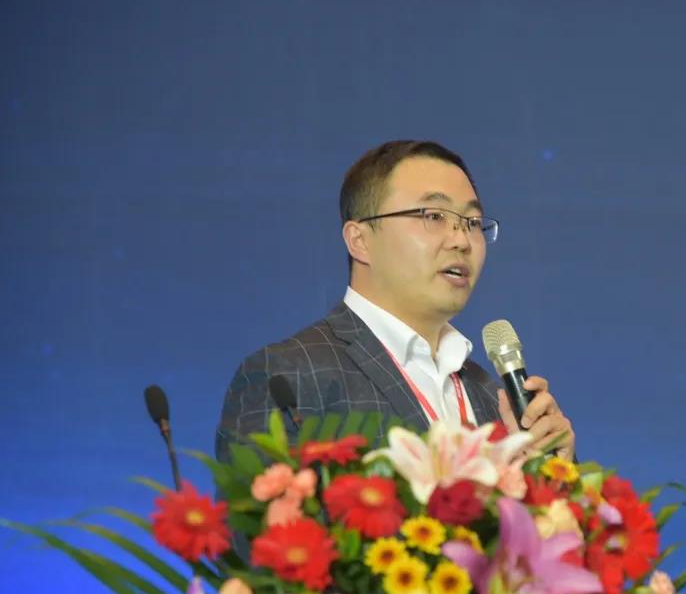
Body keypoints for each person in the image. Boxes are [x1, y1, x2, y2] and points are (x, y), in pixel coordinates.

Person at [215, 140, 574, 467]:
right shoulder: (288, 377)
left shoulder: (494, 397)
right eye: (434, 216)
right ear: (360, 240)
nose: (462, 240)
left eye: (473, 222)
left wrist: (552, 470)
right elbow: (266, 517)